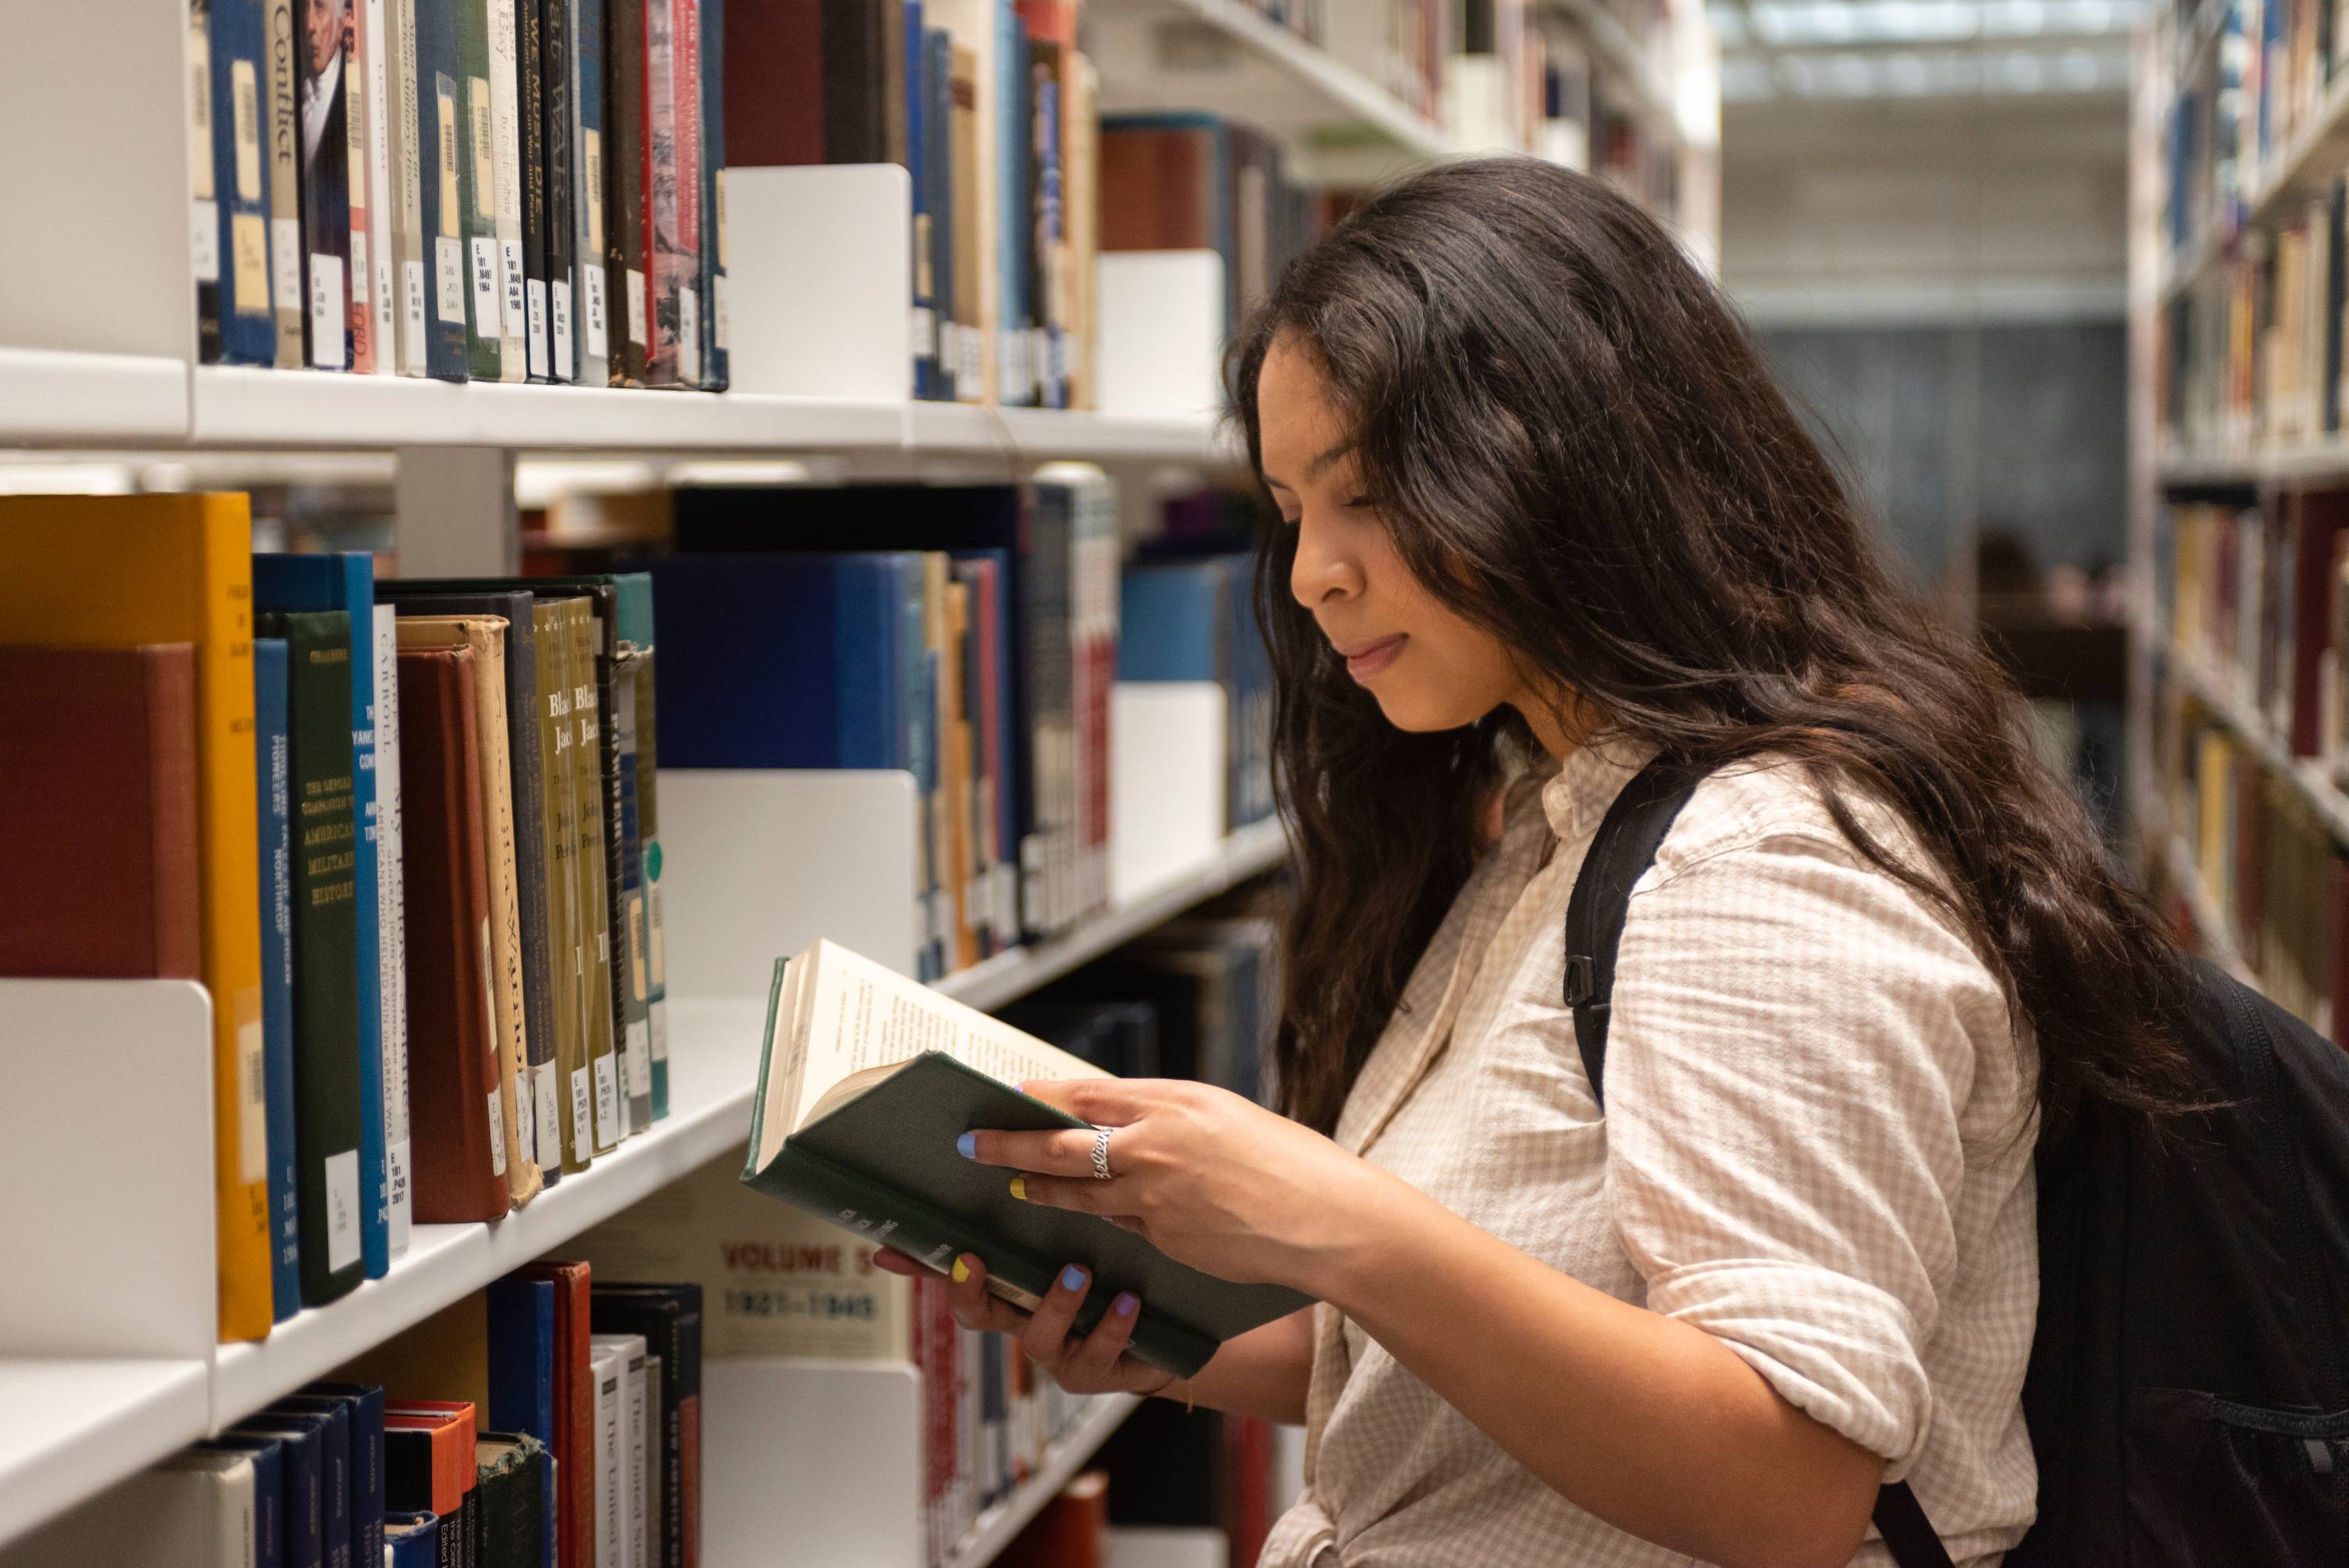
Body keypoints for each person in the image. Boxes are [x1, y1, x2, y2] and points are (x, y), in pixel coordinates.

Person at [876, 157, 2199, 1566]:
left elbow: (1793, 1479)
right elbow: (1509, 1337)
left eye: (1366, 493)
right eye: (1287, 511)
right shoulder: (1564, 815)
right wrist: (1169, 1337)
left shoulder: (1754, 869)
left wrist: (1338, 1222)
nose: (1314, 570)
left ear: (1563, 462)